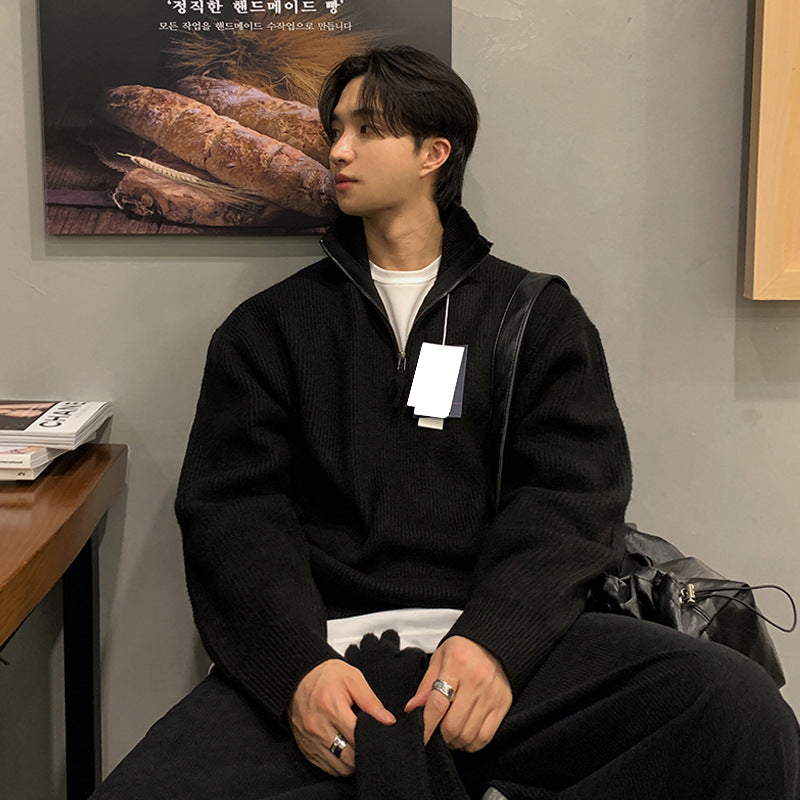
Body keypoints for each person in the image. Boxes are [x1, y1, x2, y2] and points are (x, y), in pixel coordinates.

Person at [90, 46, 799, 799]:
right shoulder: (266, 330)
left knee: (737, 711)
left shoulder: (536, 316)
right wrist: (296, 670)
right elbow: (233, 517)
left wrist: (495, 640)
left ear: (435, 153)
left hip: (504, 654)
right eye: (336, 129)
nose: (338, 151)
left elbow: (573, 498)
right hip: (332, 661)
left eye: (367, 129)